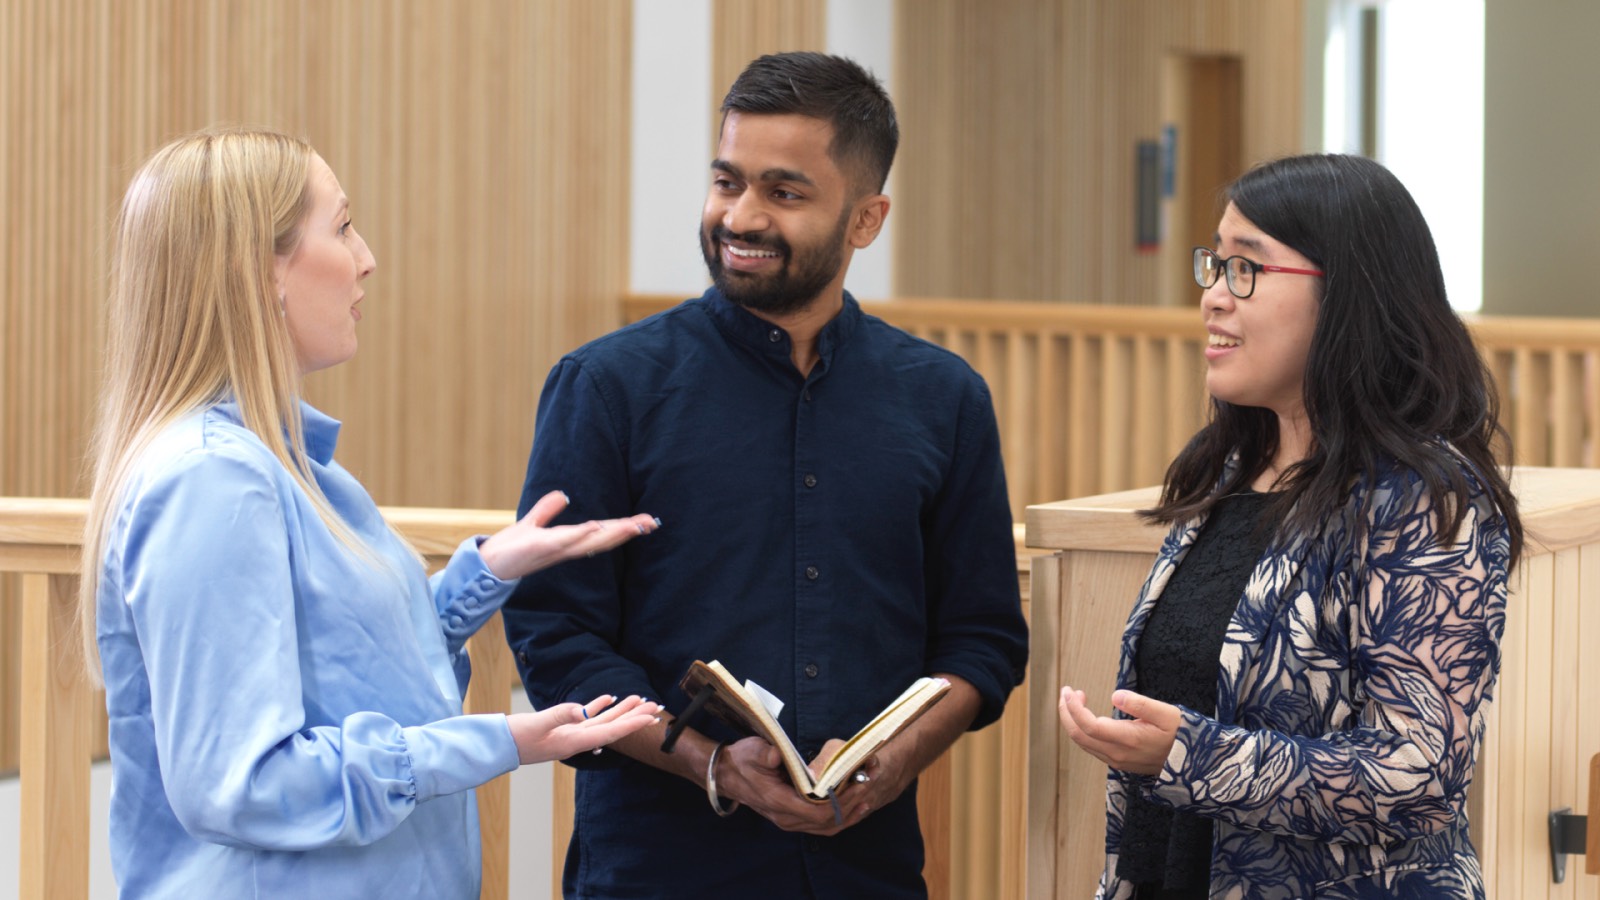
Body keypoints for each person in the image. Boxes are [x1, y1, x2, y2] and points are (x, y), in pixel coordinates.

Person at [78, 128, 664, 899]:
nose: (367, 258)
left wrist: (483, 574)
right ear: (260, 272)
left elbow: (340, 663)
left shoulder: (289, 466)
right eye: (344, 226)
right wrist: (495, 742)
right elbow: (241, 781)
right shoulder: (213, 482)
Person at [503, 51, 1029, 899]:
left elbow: (984, 638)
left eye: (784, 193)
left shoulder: (945, 399)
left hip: (870, 872)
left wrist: (895, 764)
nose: (739, 217)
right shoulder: (608, 386)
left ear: (866, 219)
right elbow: (556, 634)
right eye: (726, 181)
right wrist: (711, 763)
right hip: (653, 870)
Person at [1057, 153, 1522, 899]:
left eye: (1247, 269)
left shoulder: (1422, 498)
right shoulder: (1231, 472)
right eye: (1214, 265)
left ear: (1348, 295)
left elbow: (1418, 775)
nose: (1213, 297)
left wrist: (1189, 754)